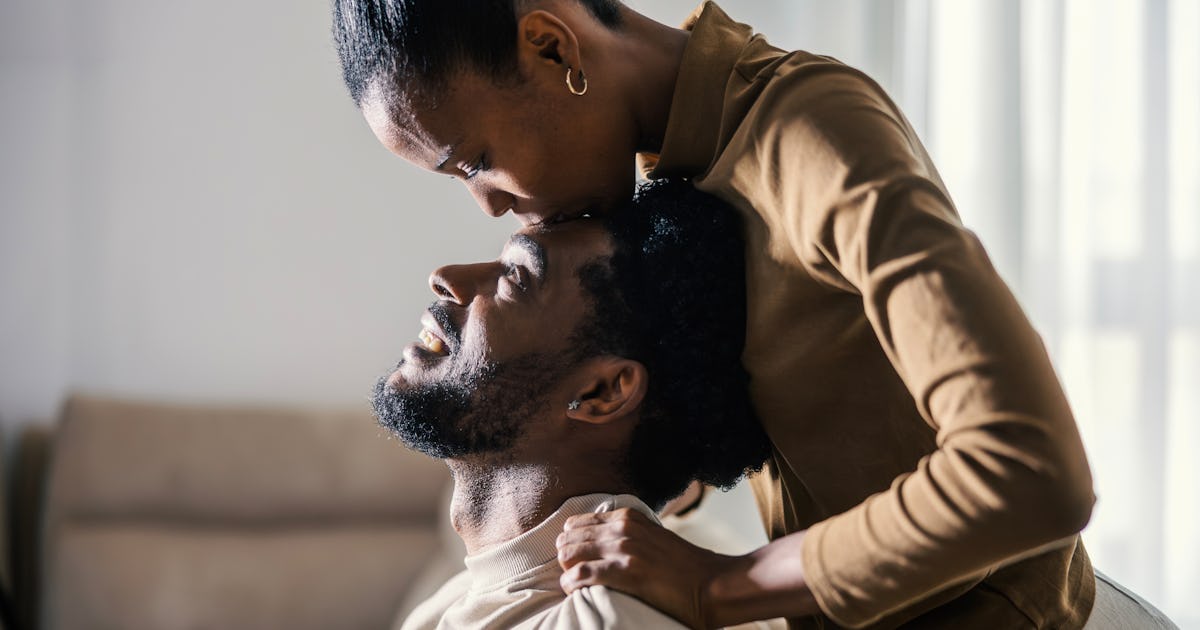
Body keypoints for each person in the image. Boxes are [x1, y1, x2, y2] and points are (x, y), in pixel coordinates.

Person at [333, 1, 1097, 628]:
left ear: (552, 47)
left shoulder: (812, 135)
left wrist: (722, 585)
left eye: (473, 161)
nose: (490, 205)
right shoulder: (673, 173)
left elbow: (1031, 470)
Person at [373, 180, 772, 629]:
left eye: (516, 279)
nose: (446, 277)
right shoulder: (457, 600)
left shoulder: (609, 617)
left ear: (603, 393)